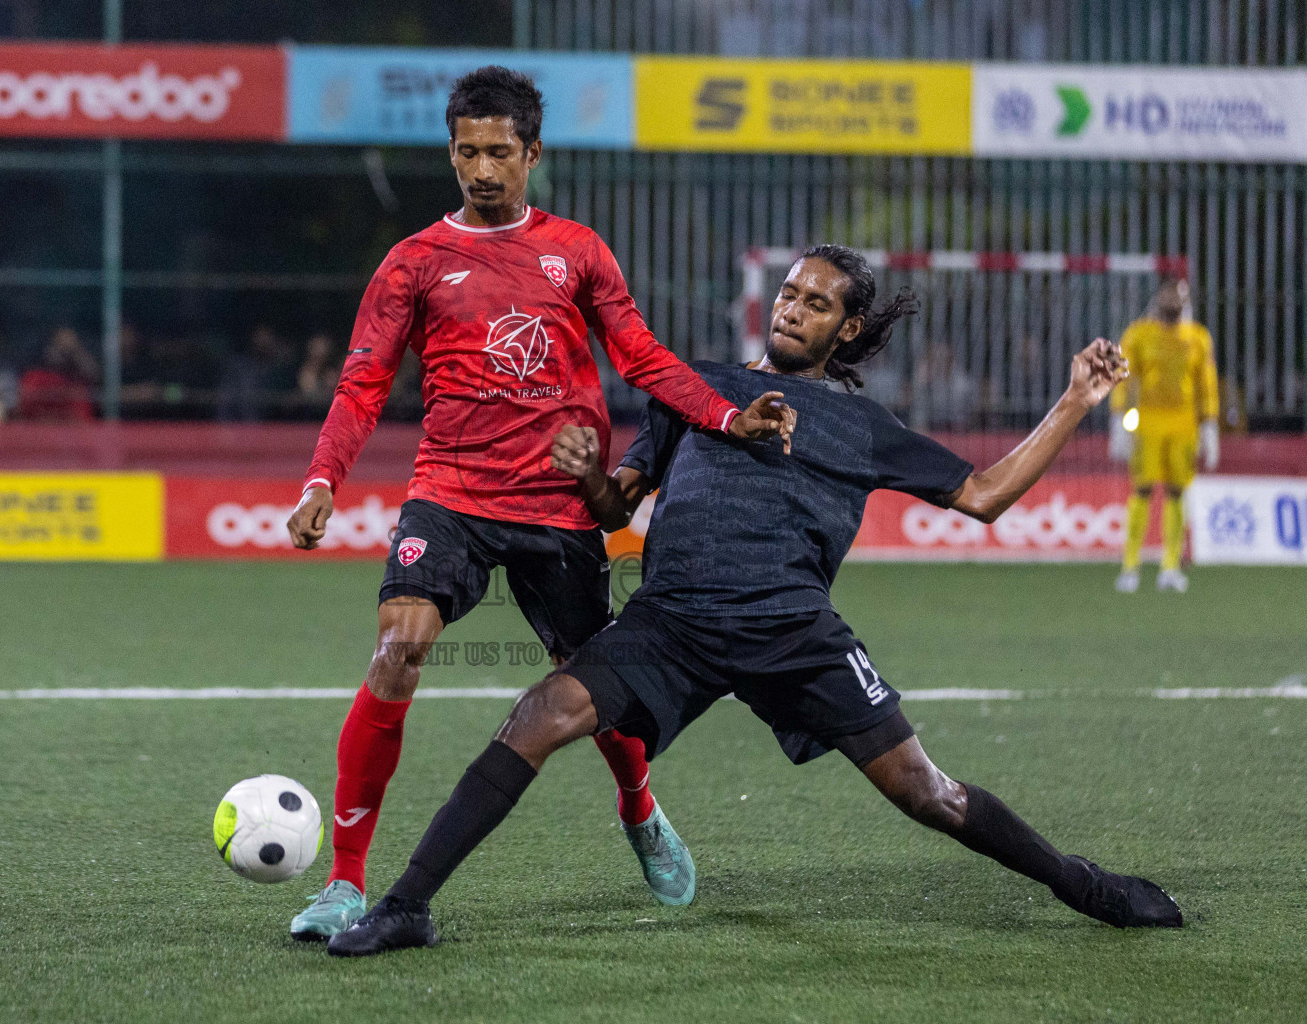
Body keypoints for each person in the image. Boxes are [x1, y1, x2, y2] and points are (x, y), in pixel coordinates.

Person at [327, 244, 1182, 958]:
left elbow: (986, 495)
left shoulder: (865, 427)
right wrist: (589, 470)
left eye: (816, 302)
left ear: (847, 328)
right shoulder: (696, 388)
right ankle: (405, 907)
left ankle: (1085, 885)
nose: (792, 308)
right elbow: (615, 509)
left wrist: (1074, 401)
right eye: (788, 292)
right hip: (673, 622)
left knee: (929, 795)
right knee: (536, 716)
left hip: (795, 633)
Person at [284, 65, 786, 941]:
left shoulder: (578, 251)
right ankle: (344, 881)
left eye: (500, 152)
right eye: (467, 152)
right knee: (398, 650)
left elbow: (641, 356)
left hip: (558, 507)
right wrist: (322, 480)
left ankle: (639, 808)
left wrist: (724, 413)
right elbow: (364, 383)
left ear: (532, 154)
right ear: (451, 152)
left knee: (598, 691)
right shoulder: (413, 262)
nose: (482, 169)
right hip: (450, 494)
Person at [1109, 279, 1219, 594]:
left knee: (1176, 492)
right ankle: (1130, 565)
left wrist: (1210, 423)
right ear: (1159, 299)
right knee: (1142, 489)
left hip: (1184, 424)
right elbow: (1123, 375)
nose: (1173, 303)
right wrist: (1119, 417)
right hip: (1148, 422)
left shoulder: (1197, 338)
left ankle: (1170, 567)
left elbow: (1206, 382)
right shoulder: (1139, 334)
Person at [16, 326, 99, 422]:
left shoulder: (78, 384)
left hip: (73, 426)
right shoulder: (35, 378)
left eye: (70, 344)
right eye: (62, 343)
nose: (66, 347)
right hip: (38, 425)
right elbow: (25, 408)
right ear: (52, 344)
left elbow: (92, 374)